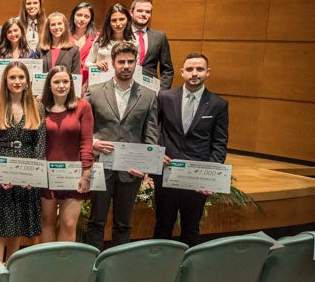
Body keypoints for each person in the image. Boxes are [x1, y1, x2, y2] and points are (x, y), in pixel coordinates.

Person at [86, 41, 159, 250]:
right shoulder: (95, 91)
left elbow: (151, 134)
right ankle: (92, 264)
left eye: (130, 61)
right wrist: (94, 143)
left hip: (132, 170)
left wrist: (146, 166)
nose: (126, 66)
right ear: (113, 63)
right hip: (101, 166)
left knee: (123, 224)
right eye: (121, 62)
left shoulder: (148, 95)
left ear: (136, 63)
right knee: (96, 222)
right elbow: (83, 129)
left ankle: (118, 266)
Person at [153, 53, 229, 246]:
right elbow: (152, 129)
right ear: (182, 72)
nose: (194, 73)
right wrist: (155, 154)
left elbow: (219, 144)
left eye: (199, 69)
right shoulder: (165, 97)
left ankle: (188, 271)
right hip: (167, 173)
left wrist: (209, 177)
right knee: (162, 226)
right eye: (190, 69)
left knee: (191, 228)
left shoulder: (218, 105)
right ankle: (159, 270)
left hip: (197, 177)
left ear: (207, 72)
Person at [0, 61, 46, 262]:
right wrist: (0, 174)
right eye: (12, 77)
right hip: (0, 167)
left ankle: (12, 268)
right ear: (5, 80)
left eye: (21, 77)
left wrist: (33, 174)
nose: (17, 81)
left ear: (27, 81)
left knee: (17, 221)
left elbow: (39, 145)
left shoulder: (37, 106)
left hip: (26, 168)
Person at [40, 66, 93, 243]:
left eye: (65, 81)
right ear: (49, 85)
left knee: (69, 223)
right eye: (56, 82)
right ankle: (47, 266)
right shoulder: (41, 108)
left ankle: (64, 267)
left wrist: (86, 173)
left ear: (71, 84)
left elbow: (86, 141)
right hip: (46, 174)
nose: (61, 85)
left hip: (73, 173)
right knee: (46, 222)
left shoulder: (83, 107)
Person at [130, 0, 174, 89]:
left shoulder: (160, 37)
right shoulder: (121, 34)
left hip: (150, 89)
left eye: (147, 12)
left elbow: (167, 70)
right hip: (124, 87)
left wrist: (162, 91)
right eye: (140, 11)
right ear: (131, 12)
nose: (143, 14)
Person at [88, 3, 134, 72]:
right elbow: (86, 64)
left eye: (121, 19)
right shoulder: (100, 41)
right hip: (101, 81)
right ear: (109, 22)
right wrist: (96, 65)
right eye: (114, 20)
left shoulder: (134, 43)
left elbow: (136, 69)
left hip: (124, 81)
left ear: (127, 20)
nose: (118, 24)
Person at [69, 2, 97, 87]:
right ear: (73, 15)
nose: (82, 19)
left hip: (89, 81)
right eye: (79, 15)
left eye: (86, 16)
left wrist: (86, 85)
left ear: (90, 19)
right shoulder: (64, 36)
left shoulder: (97, 37)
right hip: (68, 80)